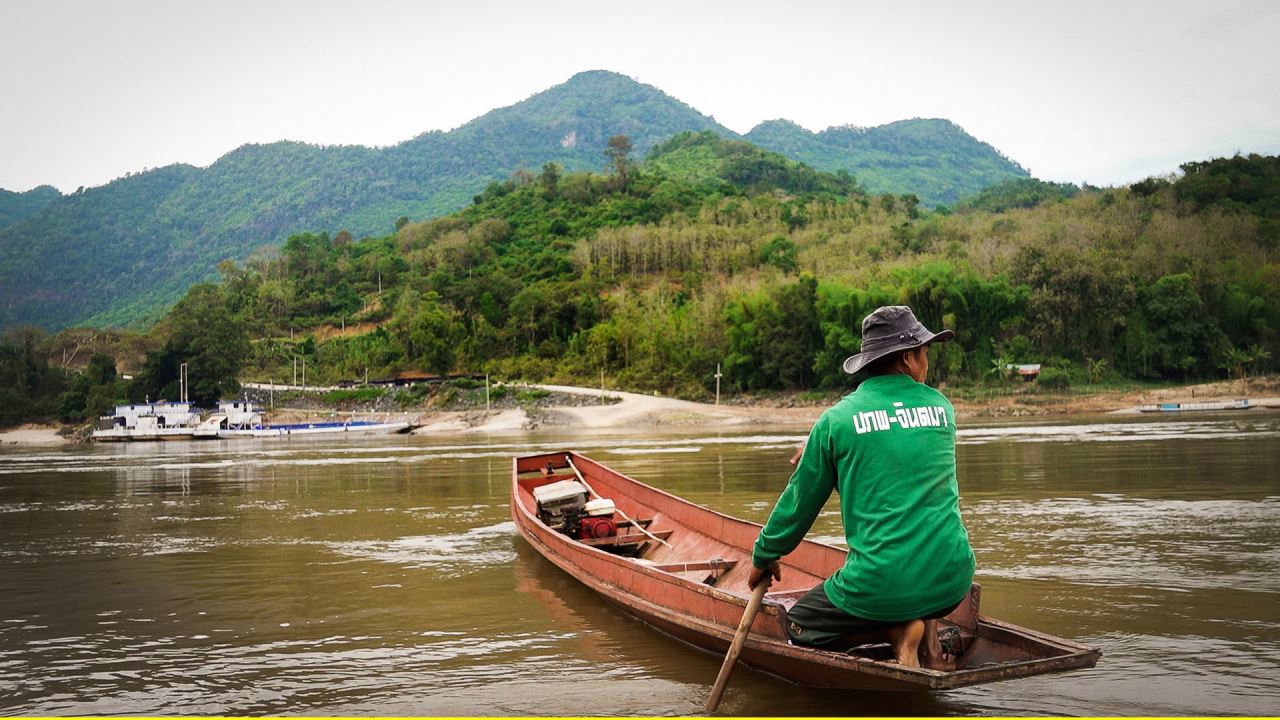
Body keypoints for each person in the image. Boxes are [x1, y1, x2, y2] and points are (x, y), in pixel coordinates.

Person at [748, 305, 975, 669]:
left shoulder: (835, 422)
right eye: (925, 354)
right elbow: (898, 457)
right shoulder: (942, 409)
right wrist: (826, 448)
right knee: (920, 523)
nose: (926, 364)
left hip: (882, 586)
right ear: (907, 358)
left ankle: (897, 634)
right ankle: (929, 647)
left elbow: (799, 505)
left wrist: (764, 555)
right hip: (951, 581)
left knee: (798, 626)